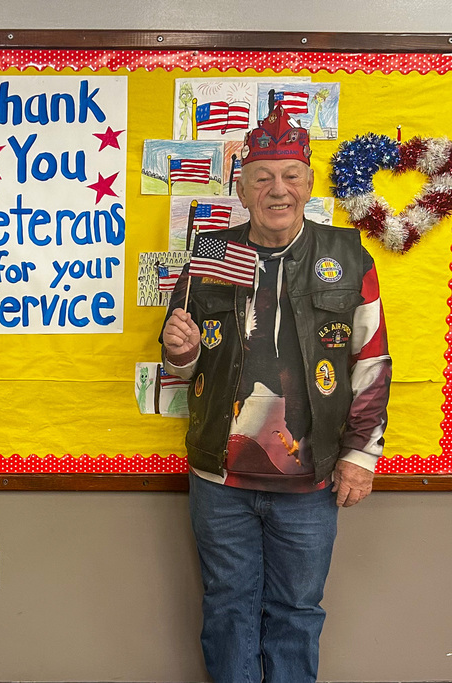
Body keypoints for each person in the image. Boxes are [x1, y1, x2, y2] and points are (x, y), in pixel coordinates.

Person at [160, 104, 391, 682]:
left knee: (296, 613)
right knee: (228, 610)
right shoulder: (210, 255)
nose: (277, 189)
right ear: (241, 187)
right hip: (221, 477)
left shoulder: (347, 253)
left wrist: (361, 458)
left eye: (290, 175)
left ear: (309, 184)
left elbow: (373, 363)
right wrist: (180, 351)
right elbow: (183, 367)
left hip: (311, 478)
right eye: (262, 177)